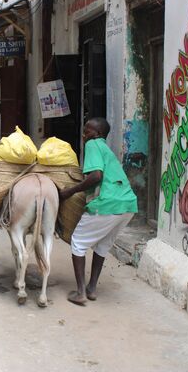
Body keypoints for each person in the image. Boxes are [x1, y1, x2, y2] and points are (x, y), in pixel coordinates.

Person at [60, 117, 138, 306]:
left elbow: (96, 176)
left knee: (78, 242)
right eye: (85, 129)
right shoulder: (105, 149)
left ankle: (80, 292)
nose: (84, 134)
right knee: (103, 245)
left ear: (99, 134)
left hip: (107, 203)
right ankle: (92, 289)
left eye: (89, 131)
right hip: (127, 205)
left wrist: (70, 191)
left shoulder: (93, 145)